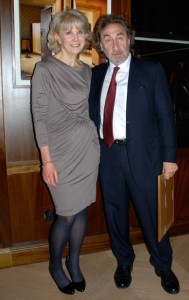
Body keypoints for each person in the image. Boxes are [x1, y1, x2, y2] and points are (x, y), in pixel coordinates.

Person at [89, 14, 180, 295]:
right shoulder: (95, 76)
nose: (115, 44)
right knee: (115, 214)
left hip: (146, 157)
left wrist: (169, 158)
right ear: (100, 45)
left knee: (153, 216)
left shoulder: (151, 70)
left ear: (129, 39)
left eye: (120, 37)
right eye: (108, 38)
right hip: (108, 157)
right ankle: (124, 262)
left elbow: (166, 117)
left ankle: (163, 265)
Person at [31, 9, 100, 295]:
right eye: (68, 31)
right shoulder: (45, 69)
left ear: (86, 36)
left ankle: (74, 263)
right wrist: (46, 161)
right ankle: (55, 265)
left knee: (81, 209)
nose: (75, 37)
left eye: (80, 31)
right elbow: (39, 116)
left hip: (88, 151)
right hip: (59, 153)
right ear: (57, 36)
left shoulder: (88, 70)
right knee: (66, 214)